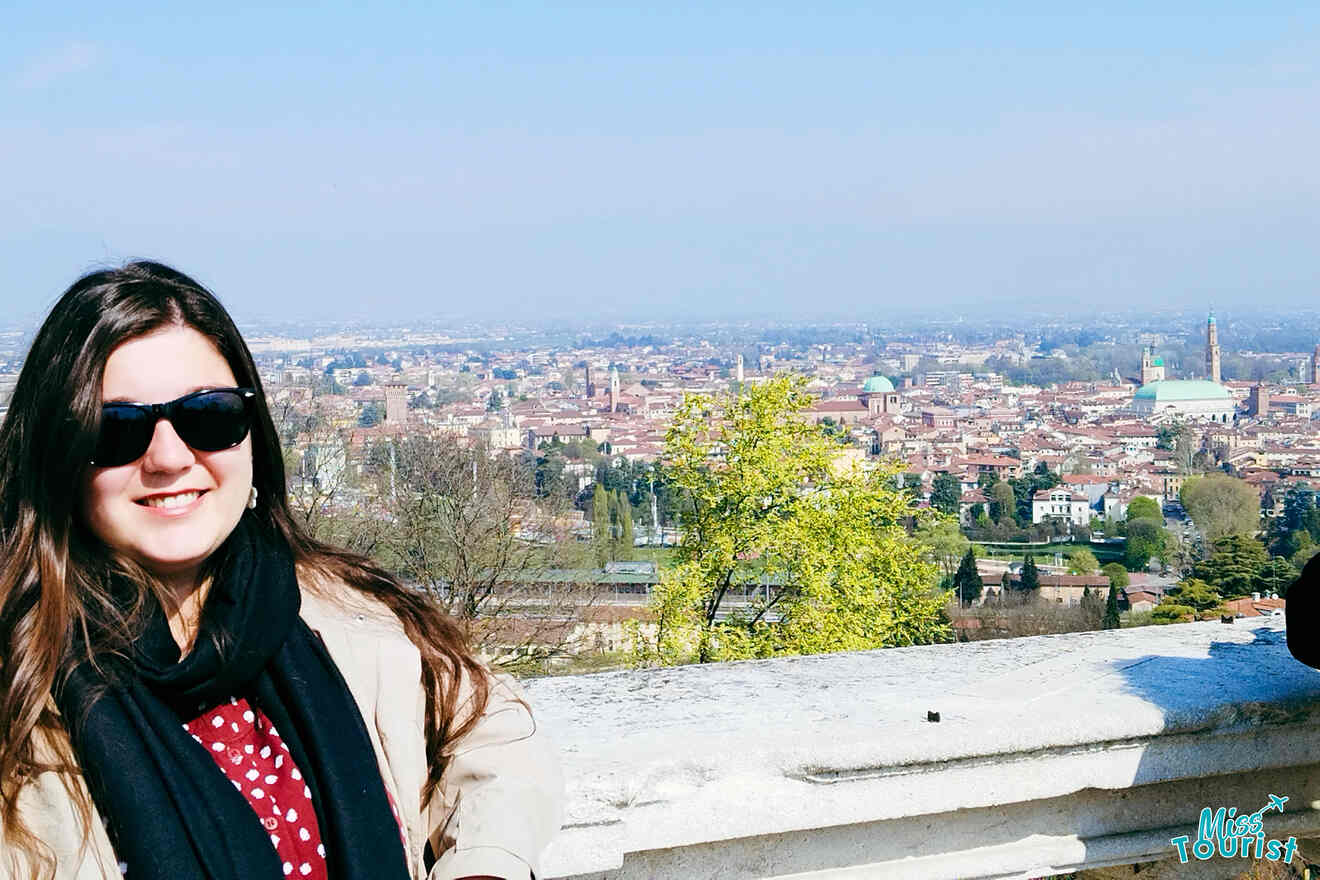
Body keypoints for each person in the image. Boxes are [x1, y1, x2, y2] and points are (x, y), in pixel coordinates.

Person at [0, 262, 563, 880]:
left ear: (252, 433)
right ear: (56, 455)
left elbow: (489, 727)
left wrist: (485, 863)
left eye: (207, 416)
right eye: (117, 430)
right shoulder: (22, 682)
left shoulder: (337, 610)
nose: (168, 457)